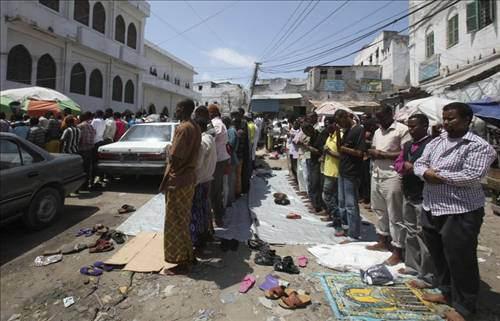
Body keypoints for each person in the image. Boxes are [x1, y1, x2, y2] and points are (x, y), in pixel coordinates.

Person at [413, 103, 496, 321]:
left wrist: (436, 175)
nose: (447, 122)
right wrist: (425, 172)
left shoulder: (479, 146)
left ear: (467, 119)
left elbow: (471, 176)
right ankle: (446, 291)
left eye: (452, 119)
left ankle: (465, 306)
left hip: (460, 210)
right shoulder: (437, 141)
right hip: (432, 205)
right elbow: (419, 163)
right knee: (439, 254)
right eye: (445, 118)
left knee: (460, 258)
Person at [159, 99, 201, 274]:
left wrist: (168, 150)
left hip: (178, 180)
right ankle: (188, 254)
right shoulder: (195, 127)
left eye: (177, 108)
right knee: (182, 219)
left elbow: (175, 157)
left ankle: (181, 261)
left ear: (183, 109)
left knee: (175, 221)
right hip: (188, 179)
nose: (175, 111)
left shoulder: (183, 128)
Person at [393, 113, 434, 284]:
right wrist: (404, 166)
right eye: (408, 126)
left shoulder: (432, 144)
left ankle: (427, 274)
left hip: (424, 194)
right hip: (408, 192)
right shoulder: (408, 145)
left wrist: (415, 167)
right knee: (410, 231)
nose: (410, 130)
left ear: (424, 126)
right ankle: (412, 265)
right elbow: (398, 163)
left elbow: (433, 167)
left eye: (413, 126)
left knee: (423, 235)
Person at [366, 106, 411, 265]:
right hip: (377, 173)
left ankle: (398, 249)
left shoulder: (402, 130)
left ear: (390, 115)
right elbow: (373, 147)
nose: (379, 121)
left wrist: (383, 154)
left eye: (381, 117)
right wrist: (373, 152)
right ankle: (383, 240)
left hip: (393, 175)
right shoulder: (378, 132)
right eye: (376, 118)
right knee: (379, 209)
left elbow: (406, 153)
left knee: (395, 214)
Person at [335, 110, 366, 240]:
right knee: (342, 203)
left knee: (351, 204)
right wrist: (337, 133)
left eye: (340, 121)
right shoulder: (346, 131)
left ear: (346, 117)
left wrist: (344, 149)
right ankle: (346, 227)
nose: (339, 125)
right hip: (343, 170)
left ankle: (354, 233)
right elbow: (339, 147)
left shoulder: (358, 130)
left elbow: (360, 153)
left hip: (352, 172)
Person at [191, 116, 217, 250]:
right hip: (207, 178)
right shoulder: (210, 138)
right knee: (204, 208)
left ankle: (198, 240)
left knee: (197, 210)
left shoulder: (201, 141)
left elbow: (197, 164)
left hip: (200, 180)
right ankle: (205, 234)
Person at [207, 104, 231, 226]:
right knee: (216, 190)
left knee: (214, 191)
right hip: (220, 159)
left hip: (218, 161)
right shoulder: (218, 123)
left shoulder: (216, 124)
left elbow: (210, 138)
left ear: (211, 114)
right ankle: (218, 215)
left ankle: (218, 218)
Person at [321, 116, 341, 226]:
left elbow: (341, 155)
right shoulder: (329, 137)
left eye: (328, 124)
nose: (326, 126)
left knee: (328, 196)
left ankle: (338, 219)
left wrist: (328, 152)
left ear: (334, 124)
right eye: (325, 124)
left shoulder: (340, 137)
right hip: (328, 171)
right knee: (329, 197)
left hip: (336, 172)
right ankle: (335, 218)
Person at [300, 122, 323, 212]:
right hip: (311, 160)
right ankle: (313, 203)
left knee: (315, 184)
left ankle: (317, 206)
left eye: (306, 132)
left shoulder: (319, 136)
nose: (305, 134)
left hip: (317, 162)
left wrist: (308, 147)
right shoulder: (312, 137)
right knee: (310, 182)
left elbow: (319, 151)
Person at [223, 116, 239, 207]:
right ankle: (230, 199)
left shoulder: (231, 131)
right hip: (232, 158)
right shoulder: (231, 130)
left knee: (229, 182)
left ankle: (229, 201)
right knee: (230, 181)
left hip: (231, 158)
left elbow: (231, 145)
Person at [78, 112, 96, 190]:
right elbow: (94, 133)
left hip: (82, 149)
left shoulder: (80, 126)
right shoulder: (90, 126)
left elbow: (79, 138)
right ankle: (86, 185)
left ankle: (82, 186)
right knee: (88, 168)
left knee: (81, 168)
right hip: (90, 149)